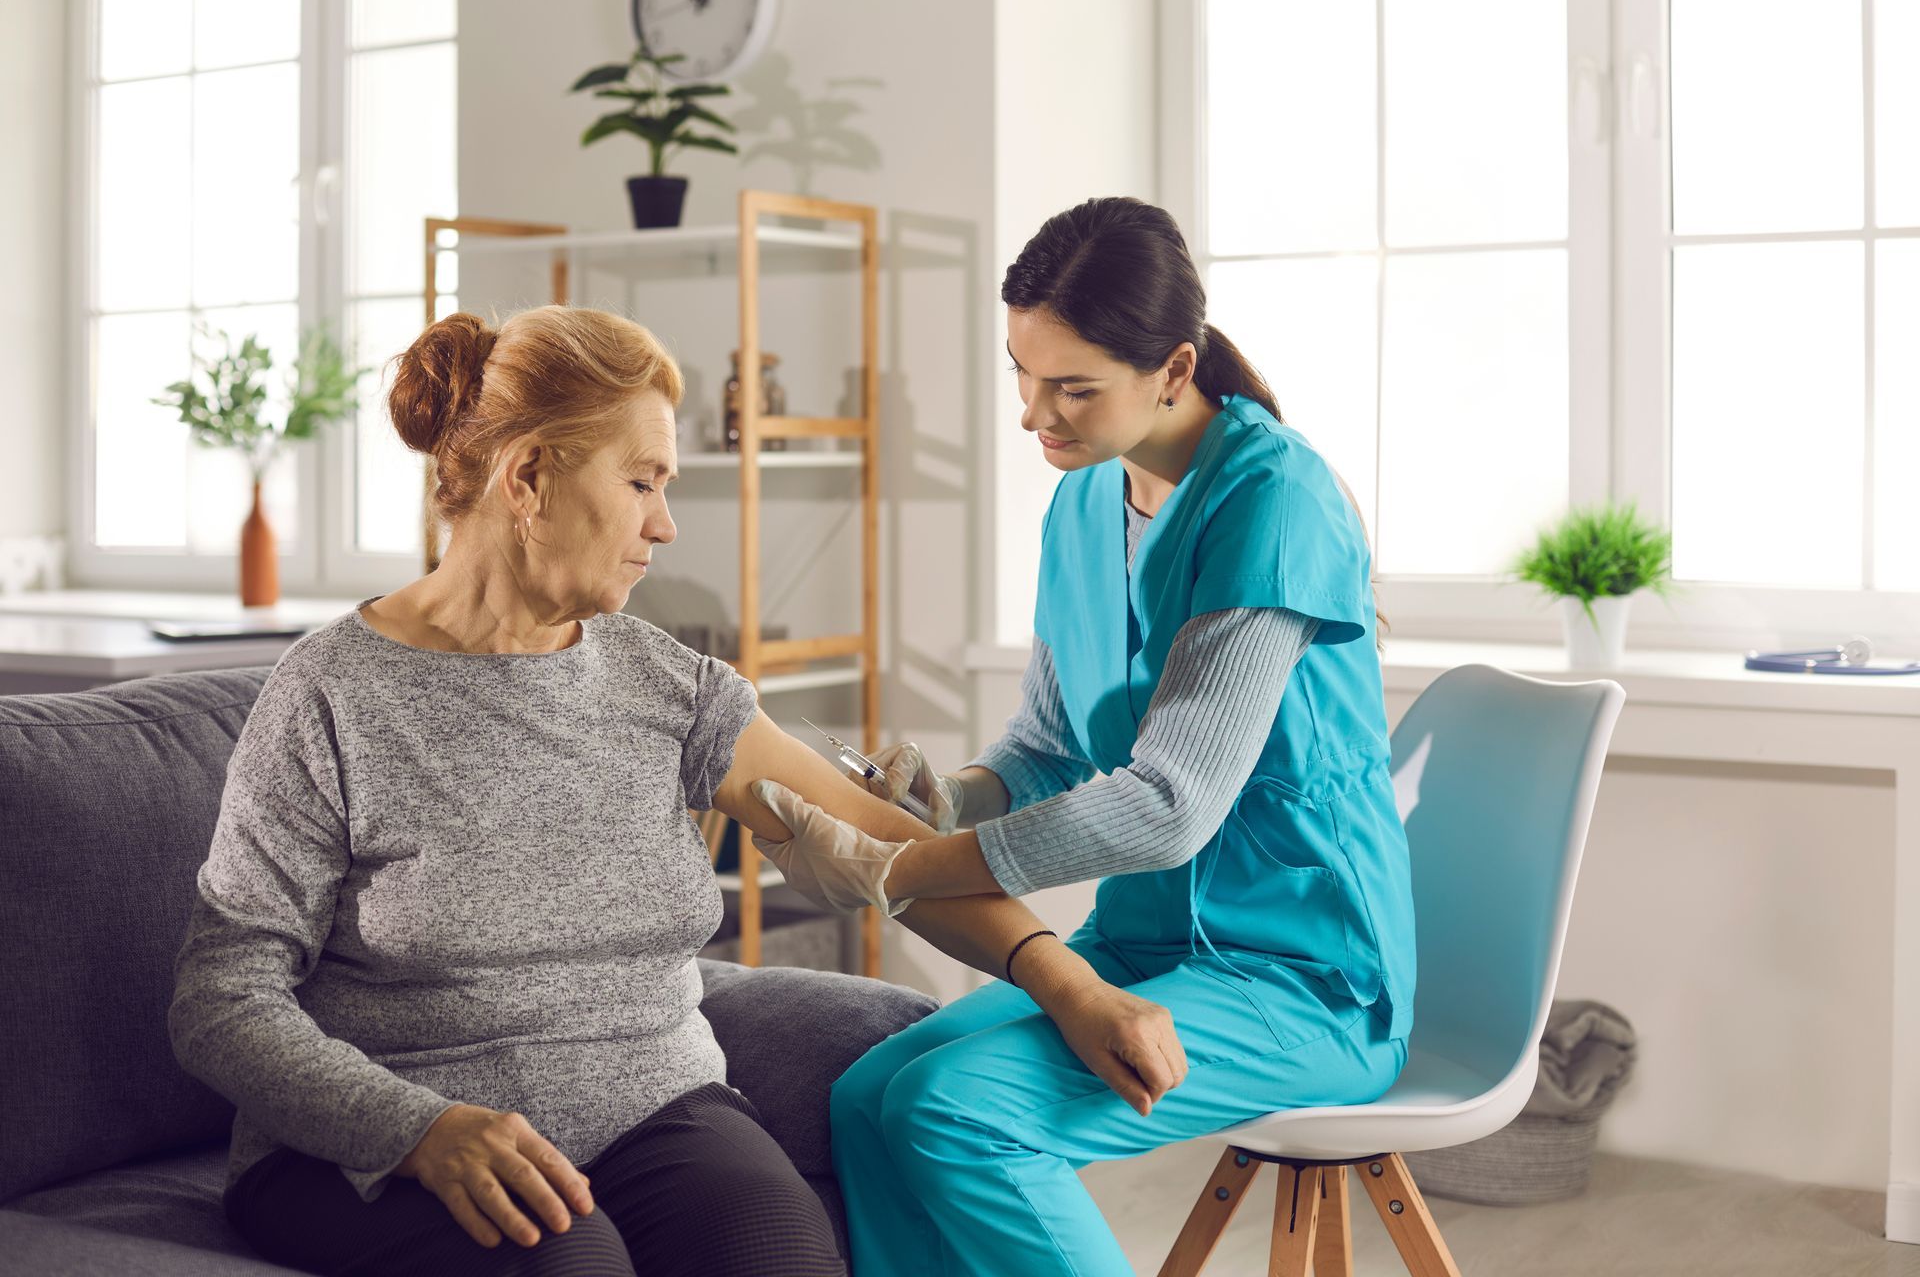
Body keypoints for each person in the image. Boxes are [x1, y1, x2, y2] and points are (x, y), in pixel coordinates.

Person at [168, 304, 1184, 1277]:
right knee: (568, 1258)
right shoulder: (332, 696)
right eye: (644, 481)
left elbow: (891, 851)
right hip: (390, 1135)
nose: (666, 523)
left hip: (653, 1103)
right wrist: (417, 1130)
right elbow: (221, 999)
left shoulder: (667, 683)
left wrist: (1073, 985)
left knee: (776, 1249)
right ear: (529, 477)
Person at [750, 197, 1418, 1275]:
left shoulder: (1274, 499)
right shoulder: (1082, 501)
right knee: (869, 1095)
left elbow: (1172, 802)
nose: (1032, 414)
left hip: (1305, 977)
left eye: (1071, 388)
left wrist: (903, 866)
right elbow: (1053, 744)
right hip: (1147, 946)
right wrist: (949, 797)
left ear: (1172, 368)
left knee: (958, 1113)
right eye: (1020, 371)